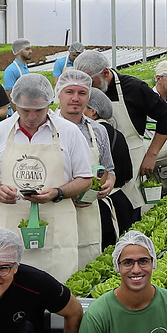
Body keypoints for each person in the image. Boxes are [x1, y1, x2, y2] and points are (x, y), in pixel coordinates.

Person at [0, 73, 94, 278]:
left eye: (38, 110)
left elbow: (85, 180)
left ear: (49, 104)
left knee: (58, 285)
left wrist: (58, 192)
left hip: (57, 228)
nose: (31, 117)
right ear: (14, 105)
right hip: (10, 226)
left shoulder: (69, 132)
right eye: (25, 110)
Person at [78, 49, 167, 210]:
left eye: (90, 80)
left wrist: (152, 154)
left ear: (105, 72)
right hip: (96, 164)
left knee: (130, 208)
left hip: (132, 160)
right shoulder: (84, 93)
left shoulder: (134, 88)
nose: (86, 86)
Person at [55, 72, 112, 268]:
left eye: (82, 93)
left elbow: (109, 170)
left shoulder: (98, 130)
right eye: (69, 91)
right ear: (58, 95)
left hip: (88, 209)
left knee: (87, 261)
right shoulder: (45, 128)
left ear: (88, 97)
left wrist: (108, 184)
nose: (75, 98)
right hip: (55, 207)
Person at [86, 89, 136, 248]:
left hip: (100, 207)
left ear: (93, 112)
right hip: (121, 203)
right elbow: (128, 175)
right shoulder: (118, 135)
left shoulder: (90, 133)